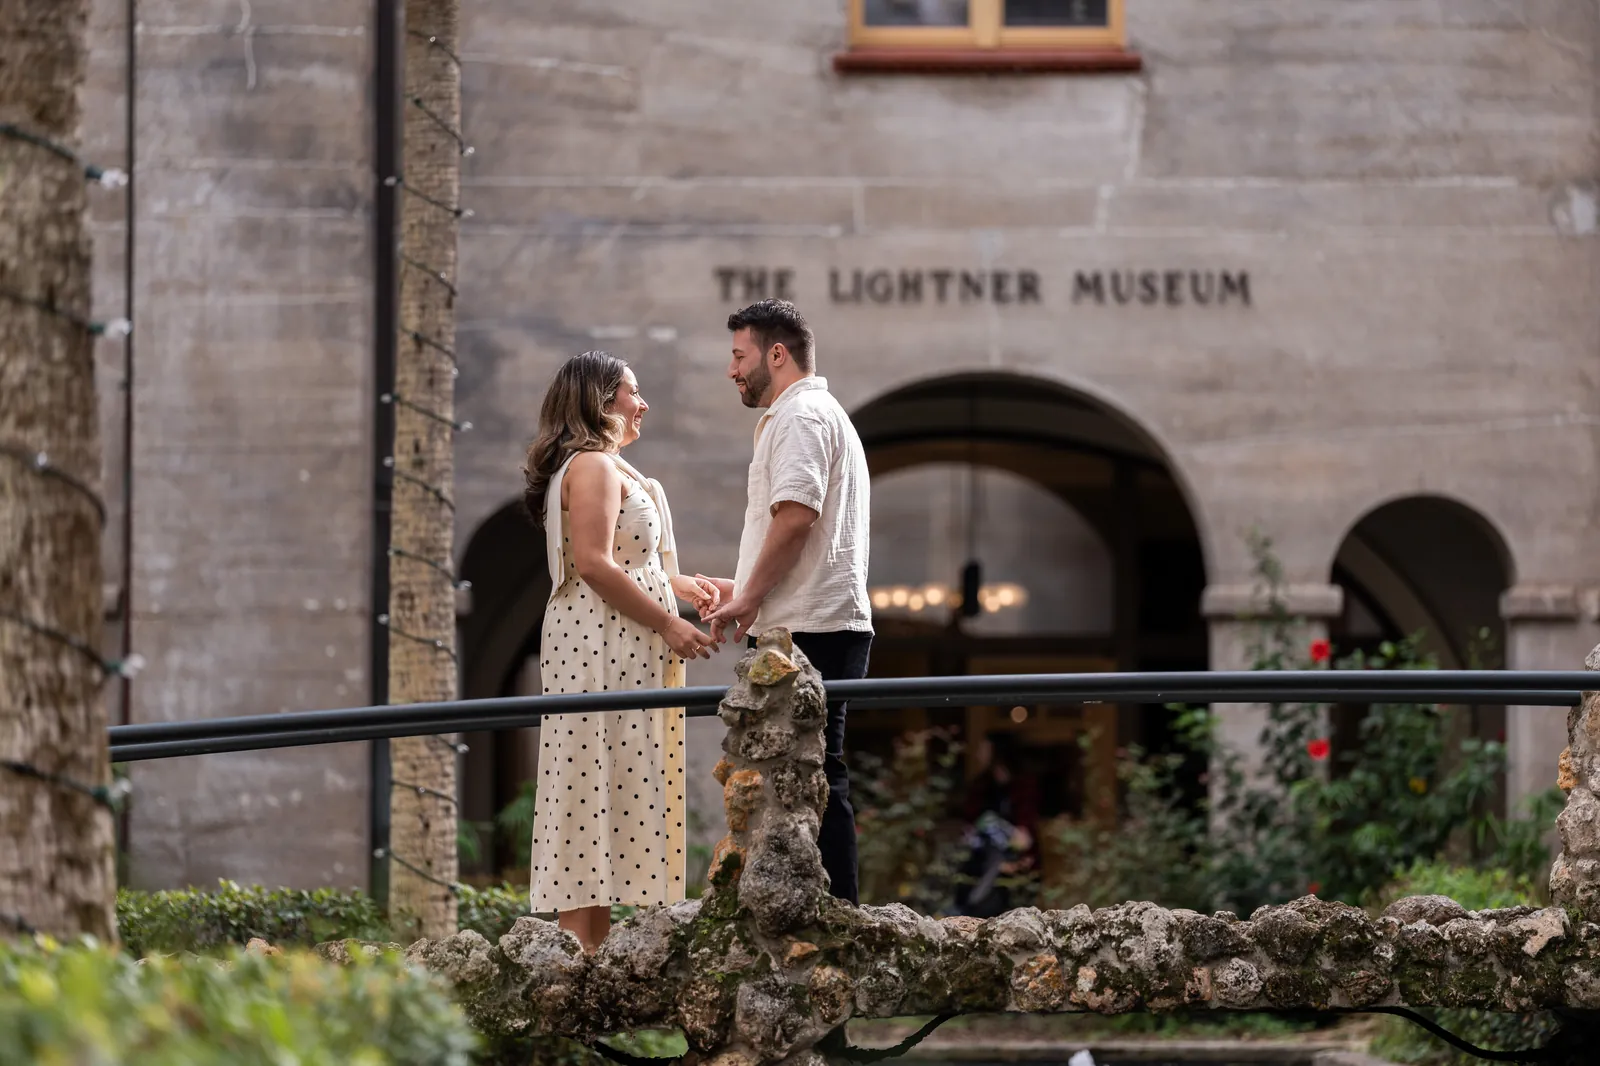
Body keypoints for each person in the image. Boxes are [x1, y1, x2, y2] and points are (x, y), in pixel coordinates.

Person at [521, 350, 721, 952]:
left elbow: (629, 562)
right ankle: (578, 960)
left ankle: (592, 961)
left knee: (606, 790)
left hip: (614, 641)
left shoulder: (616, 470)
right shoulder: (594, 468)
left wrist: (687, 588)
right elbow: (595, 564)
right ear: (600, 402)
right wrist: (669, 623)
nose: (643, 403)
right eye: (633, 392)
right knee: (591, 784)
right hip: (598, 645)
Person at [700, 300, 873, 905]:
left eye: (738, 355)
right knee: (807, 773)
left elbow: (796, 517)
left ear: (777, 354)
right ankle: (825, 916)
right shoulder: (817, 413)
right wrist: (740, 586)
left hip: (812, 629)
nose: (732, 370)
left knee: (817, 773)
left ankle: (835, 918)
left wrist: (748, 594)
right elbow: (799, 532)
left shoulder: (800, 415)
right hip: (812, 619)